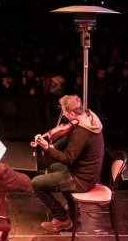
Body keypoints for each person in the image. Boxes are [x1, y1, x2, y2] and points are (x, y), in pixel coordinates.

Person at [31, 94, 104, 233]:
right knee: (53, 168)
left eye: (63, 111)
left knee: (36, 183)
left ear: (72, 113)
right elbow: (68, 138)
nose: (62, 114)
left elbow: (68, 159)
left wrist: (47, 148)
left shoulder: (82, 133)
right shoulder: (89, 117)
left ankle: (63, 219)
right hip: (89, 174)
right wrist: (53, 147)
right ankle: (73, 210)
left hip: (81, 179)